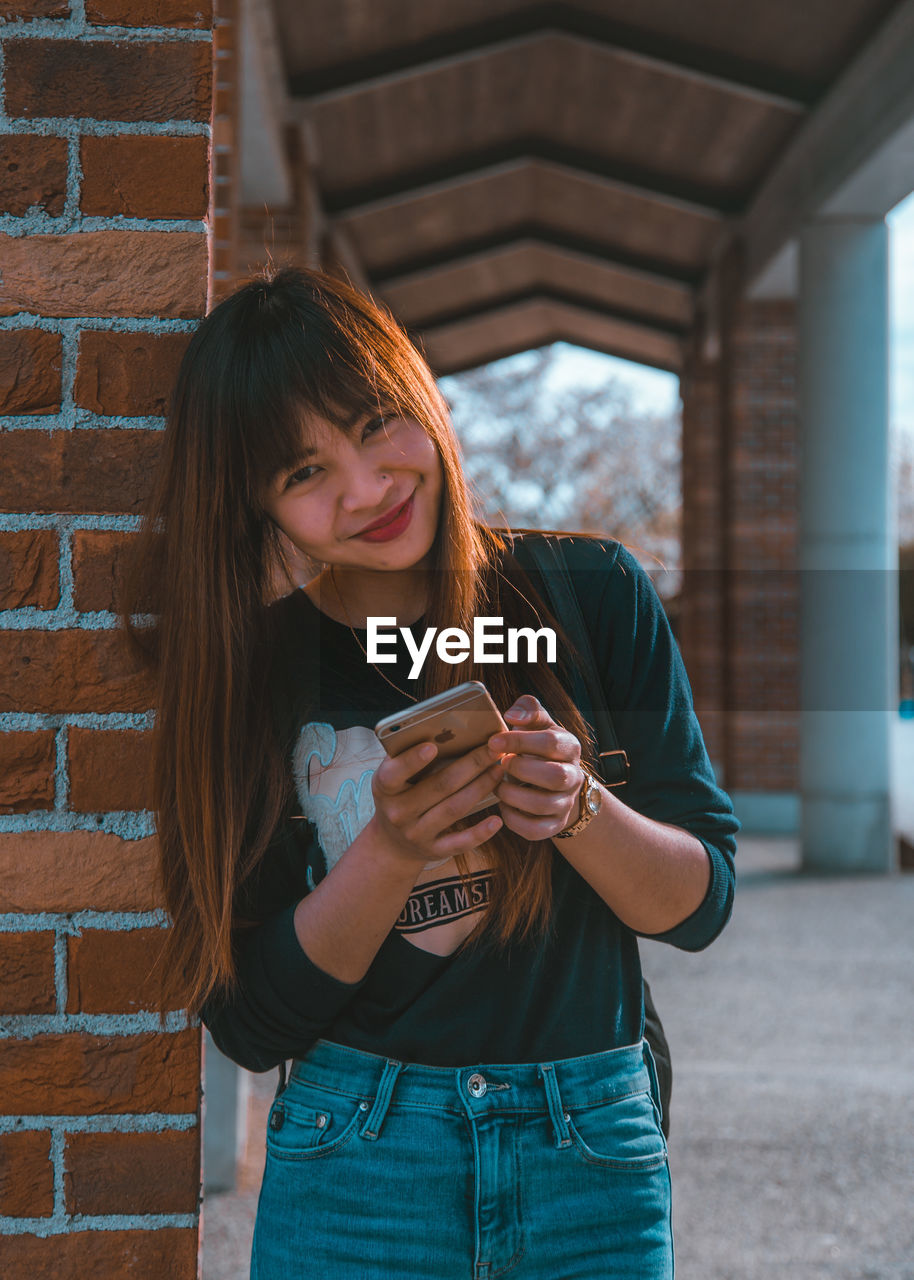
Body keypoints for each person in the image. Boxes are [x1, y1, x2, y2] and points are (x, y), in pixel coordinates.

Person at [126, 265, 739, 1280]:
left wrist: (581, 806)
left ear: (419, 396)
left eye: (373, 424)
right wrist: (389, 850)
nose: (364, 488)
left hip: (588, 1144)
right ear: (255, 506)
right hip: (354, 1149)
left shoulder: (590, 591)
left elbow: (699, 905)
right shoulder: (252, 669)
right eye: (300, 472)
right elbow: (250, 1018)